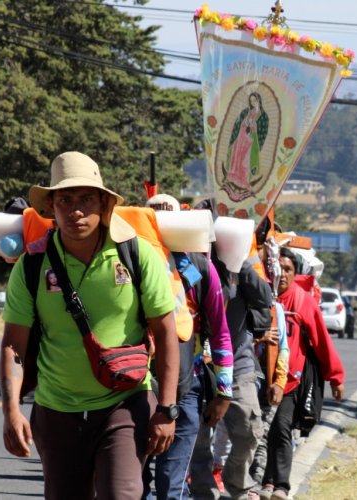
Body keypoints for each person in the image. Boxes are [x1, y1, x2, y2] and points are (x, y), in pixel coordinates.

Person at [0, 151, 180, 499]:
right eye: (65, 200)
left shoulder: (137, 256)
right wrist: (11, 412)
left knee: (121, 494)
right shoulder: (32, 265)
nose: (76, 210)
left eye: (86, 198)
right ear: (51, 207)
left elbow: (166, 333)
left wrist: (167, 408)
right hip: (55, 413)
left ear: (104, 203)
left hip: (124, 404)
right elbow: (13, 346)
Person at [143, 194, 235, 500]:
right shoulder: (125, 260)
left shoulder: (198, 270)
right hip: (132, 388)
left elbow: (221, 333)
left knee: (173, 485)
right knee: (131, 485)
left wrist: (223, 392)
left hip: (186, 389)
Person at [259, 248, 345, 500]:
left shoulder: (302, 301)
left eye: (289, 270)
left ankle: (281, 486)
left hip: (291, 379)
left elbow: (321, 341)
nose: (283, 274)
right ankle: (267, 481)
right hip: (260, 376)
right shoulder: (261, 295)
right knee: (261, 431)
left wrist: (336, 377)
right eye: (280, 268)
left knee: (281, 426)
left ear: (296, 274)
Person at [190, 251, 274, 500]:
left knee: (249, 430)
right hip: (199, 364)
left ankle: (238, 483)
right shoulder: (190, 260)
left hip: (239, 364)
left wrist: (239, 262)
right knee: (199, 437)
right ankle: (204, 492)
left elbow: (264, 297)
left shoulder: (239, 261)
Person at [224, 92, 269, 200]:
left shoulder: (263, 115)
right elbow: (238, 124)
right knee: (237, 158)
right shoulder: (246, 112)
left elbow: (263, 131)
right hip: (241, 139)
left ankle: (244, 180)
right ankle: (234, 176)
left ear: (259, 101)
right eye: (251, 101)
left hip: (251, 141)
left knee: (245, 161)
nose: (253, 103)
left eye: (255, 100)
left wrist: (254, 127)